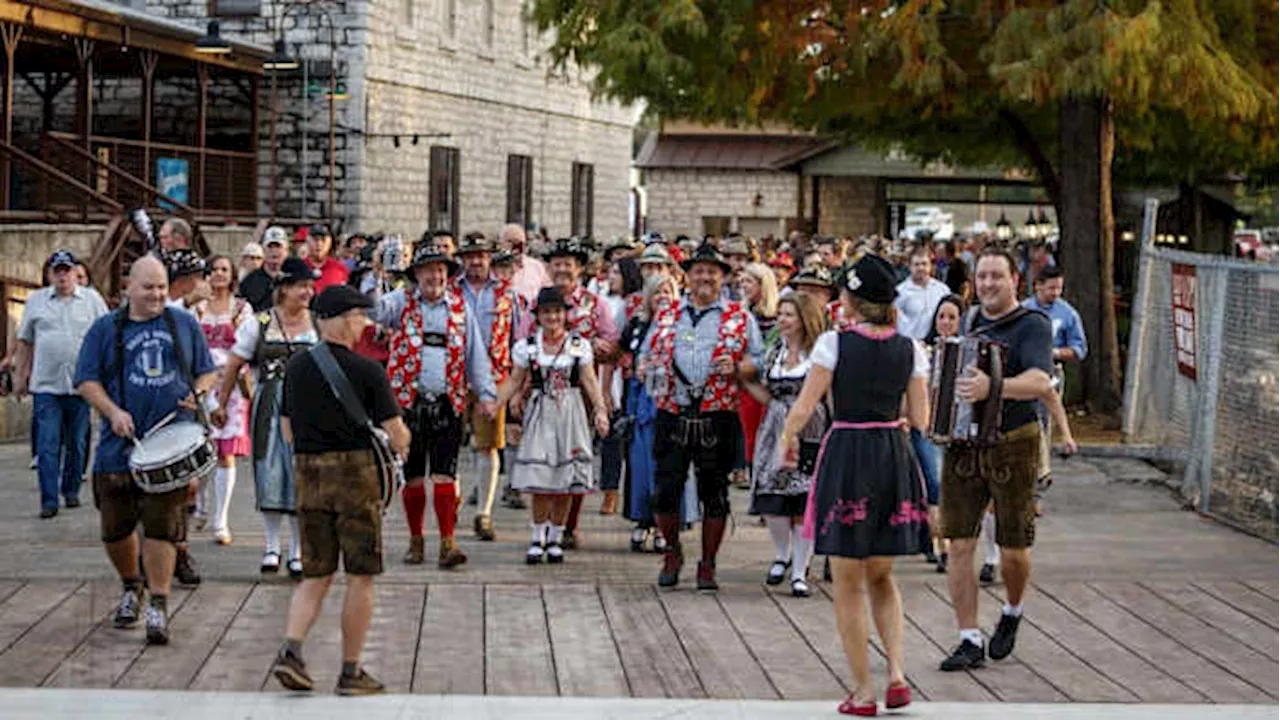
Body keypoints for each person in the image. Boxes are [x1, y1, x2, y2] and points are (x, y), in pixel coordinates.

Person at [778, 254, 929, 715]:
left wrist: (786, 440)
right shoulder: (911, 349)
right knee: (882, 574)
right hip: (891, 454)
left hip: (847, 453)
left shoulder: (832, 345)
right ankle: (897, 675)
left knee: (847, 578)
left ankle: (863, 691)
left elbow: (805, 408)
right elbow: (920, 419)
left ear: (851, 300)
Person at [271, 285, 410, 696]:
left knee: (315, 574)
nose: (365, 325)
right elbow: (396, 434)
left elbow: (286, 429)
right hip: (355, 477)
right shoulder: (368, 371)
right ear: (343, 319)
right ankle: (351, 671)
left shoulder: (295, 368)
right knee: (361, 576)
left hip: (308, 474)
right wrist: (402, 444)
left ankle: (291, 652)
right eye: (360, 316)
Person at [74, 255, 217, 645]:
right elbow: (85, 381)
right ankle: (130, 586)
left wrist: (199, 393)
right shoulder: (106, 328)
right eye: (148, 287)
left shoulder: (183, 323)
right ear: (129, 288)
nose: (156, 294)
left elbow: (208, 370)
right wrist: (112, 411)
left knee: (161, 528)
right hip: (118, 449)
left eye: (160, 287)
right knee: (114, 529)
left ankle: (158, 601)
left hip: (170, 447)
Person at [938, 246, 1055, 672]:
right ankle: (968, 637)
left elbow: (1041, 382)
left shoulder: (1032, 325)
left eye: (996, 277)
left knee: (1013, 548)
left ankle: (1012, 608)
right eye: (982, 276)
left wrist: (995, 387)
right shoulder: (968, 320)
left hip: (1013, 440)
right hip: (965, 442)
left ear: (1014, 281)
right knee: (958, 542)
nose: (988, 284)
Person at [641, 243, 763, 590]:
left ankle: (708, 563)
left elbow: (761, 359)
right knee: (665, 489)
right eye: (699, 271)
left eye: (712, 271)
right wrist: (647, 367)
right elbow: (646, 352)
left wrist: (740, 367)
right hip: (672, 410)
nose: (705, 277)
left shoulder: (740, 316)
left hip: (717, 413)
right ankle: (672, 552)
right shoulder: (667, 314)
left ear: (723, 277)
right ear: (688, 276)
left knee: (715, 491)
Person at [378, 234, 498, 569]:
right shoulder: (401, 302)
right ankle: (416, 541)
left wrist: (486, 393)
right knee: (413, 476)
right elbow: (374, 311)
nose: (436, 277)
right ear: (416, 275)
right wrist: (384, 275)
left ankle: (448, 542)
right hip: (408, 402)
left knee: (445, 474)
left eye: (441, 271)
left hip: (448, 402)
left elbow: (476, 354)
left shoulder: (461, 309)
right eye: (429, 271)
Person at [214, 257, 319, 578]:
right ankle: (272, 546)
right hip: (270, 406)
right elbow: (233, 363)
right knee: (270, 470)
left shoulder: (318, 323)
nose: (308, 292)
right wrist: (221, 404)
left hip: (306, 409)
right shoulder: (259, 323)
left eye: (309, 286)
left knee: (302, 474)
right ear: (284, 288)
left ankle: (298, 551)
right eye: (301, 285)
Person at [494, 287, 610, 564]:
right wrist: (495, 403)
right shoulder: (528, 347)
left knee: (566, 481)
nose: (552, 317)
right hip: (541, 411)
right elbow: (515, 379)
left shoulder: (578, 346)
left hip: (570, 412)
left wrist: (600, 410)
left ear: (565, 315)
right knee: (541, 480)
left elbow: (589, 381)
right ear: (538, 316)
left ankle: (556, 537)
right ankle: (538, 536)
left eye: (557, 311)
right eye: (546, 312)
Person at [524, 237, 619, 550]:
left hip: (582, 389)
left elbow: (611, 339)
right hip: (544, 388)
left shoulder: (595, 302)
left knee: (576, 459)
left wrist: (601, 347)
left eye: (569, 264)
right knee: (544, 461)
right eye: (557, 264)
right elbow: (523, 337)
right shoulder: (537, 303)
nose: (562, 269)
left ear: (579, 268)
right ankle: (544, 530)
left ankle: (568, 526)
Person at [14, 249, 108, 518]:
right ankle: (49, 499)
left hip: (81, 385)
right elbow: (25, 341)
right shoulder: (37, 301)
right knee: (47, 443)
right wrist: (21, 376)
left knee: (77, 442)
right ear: (50, 274)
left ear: (74, 273)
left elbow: (106, 336)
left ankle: (70, 489)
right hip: (46, 385)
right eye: (58, 271)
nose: (63, 275)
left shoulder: (91, 300)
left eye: (67, 270)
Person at [744, 293, 827, 597]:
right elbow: (762, 390)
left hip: (810, 426)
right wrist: (751, 385)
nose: (782, 320)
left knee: (804, 500)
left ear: (804, 319)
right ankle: (782, 553)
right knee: (773, 495)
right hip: (776, 425)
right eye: (780, 314)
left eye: (789, 314)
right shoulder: (772, 352)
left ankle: (800, 569)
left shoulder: (819, 354)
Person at [621, 275, 699, 552]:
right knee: (642, 464)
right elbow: (631, 356)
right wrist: (641, 367)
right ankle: (643, 519)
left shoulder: (685, 323)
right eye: (657, 293)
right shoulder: (640, 325)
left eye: (668, 291)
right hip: (644, 403)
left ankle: (667, 524)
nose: (663, 297)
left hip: (674, 402)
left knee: (668, 466)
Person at [453, 233, 520, 541]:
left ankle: (484, 512)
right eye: (470, 256)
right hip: (453, 375)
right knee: (450, 443)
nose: (476, 261)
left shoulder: (508, 294)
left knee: (488, 444)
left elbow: (517, 340)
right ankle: (450, 503)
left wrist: (517, 385)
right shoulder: (451, 292)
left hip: (493, 377)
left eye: (481, 255)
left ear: (490, 259)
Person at [193, 255, 254, 545]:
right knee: (202, 448)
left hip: (231, 384)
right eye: (213, 269)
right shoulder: (197, 309)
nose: (218, 274)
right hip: (202, 384)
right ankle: (201, 502)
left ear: (232, 276)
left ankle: (221, 519)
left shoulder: (242, 308)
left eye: (223, 270)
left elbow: (247, 345)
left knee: (225, 451)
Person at [920, 294, 967, 574]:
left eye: (952, 317)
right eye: (941, 316)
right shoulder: (922, 351)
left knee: (952, 485)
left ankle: (947, 540)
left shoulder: (968, 351)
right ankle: (940, 545)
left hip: (956, 427)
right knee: (933, 483)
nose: (946, 322)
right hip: (926, 426)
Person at [598, 256, 644, 516]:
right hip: (615, 377)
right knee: (611, 439)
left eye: (616, 272)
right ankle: (609, 492)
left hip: (630, 378)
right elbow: (609, 353)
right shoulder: (609, 304)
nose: (611, 277)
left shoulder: (634, 305)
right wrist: (604, 390)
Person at [894, 245, 951, 340]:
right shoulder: (900, 292)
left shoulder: (942, 290)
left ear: (930, 266)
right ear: (909, 266)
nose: (921, 268)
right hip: (911, 345)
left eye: (924, 264)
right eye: (916, 264)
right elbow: (897, 323)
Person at [240, 226, 289, 311]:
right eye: (270, 247)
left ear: (286, 250)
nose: (274, 251)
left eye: (278, 246)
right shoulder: (249, 281)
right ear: (263, 250)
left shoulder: (294, 279)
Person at [502, 224, 551, 304]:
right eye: (511, 241)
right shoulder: (494, 269)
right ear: (501, 243)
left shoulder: (537, 267)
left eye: (520, 242)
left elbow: (548, 293)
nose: (516, 246)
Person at [306, 224, 350, 293]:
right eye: (315, 239)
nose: (319, 244)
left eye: (323, 240)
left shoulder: (340, 268)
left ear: (329, 243)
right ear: (307, 241)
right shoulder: (298, 267)